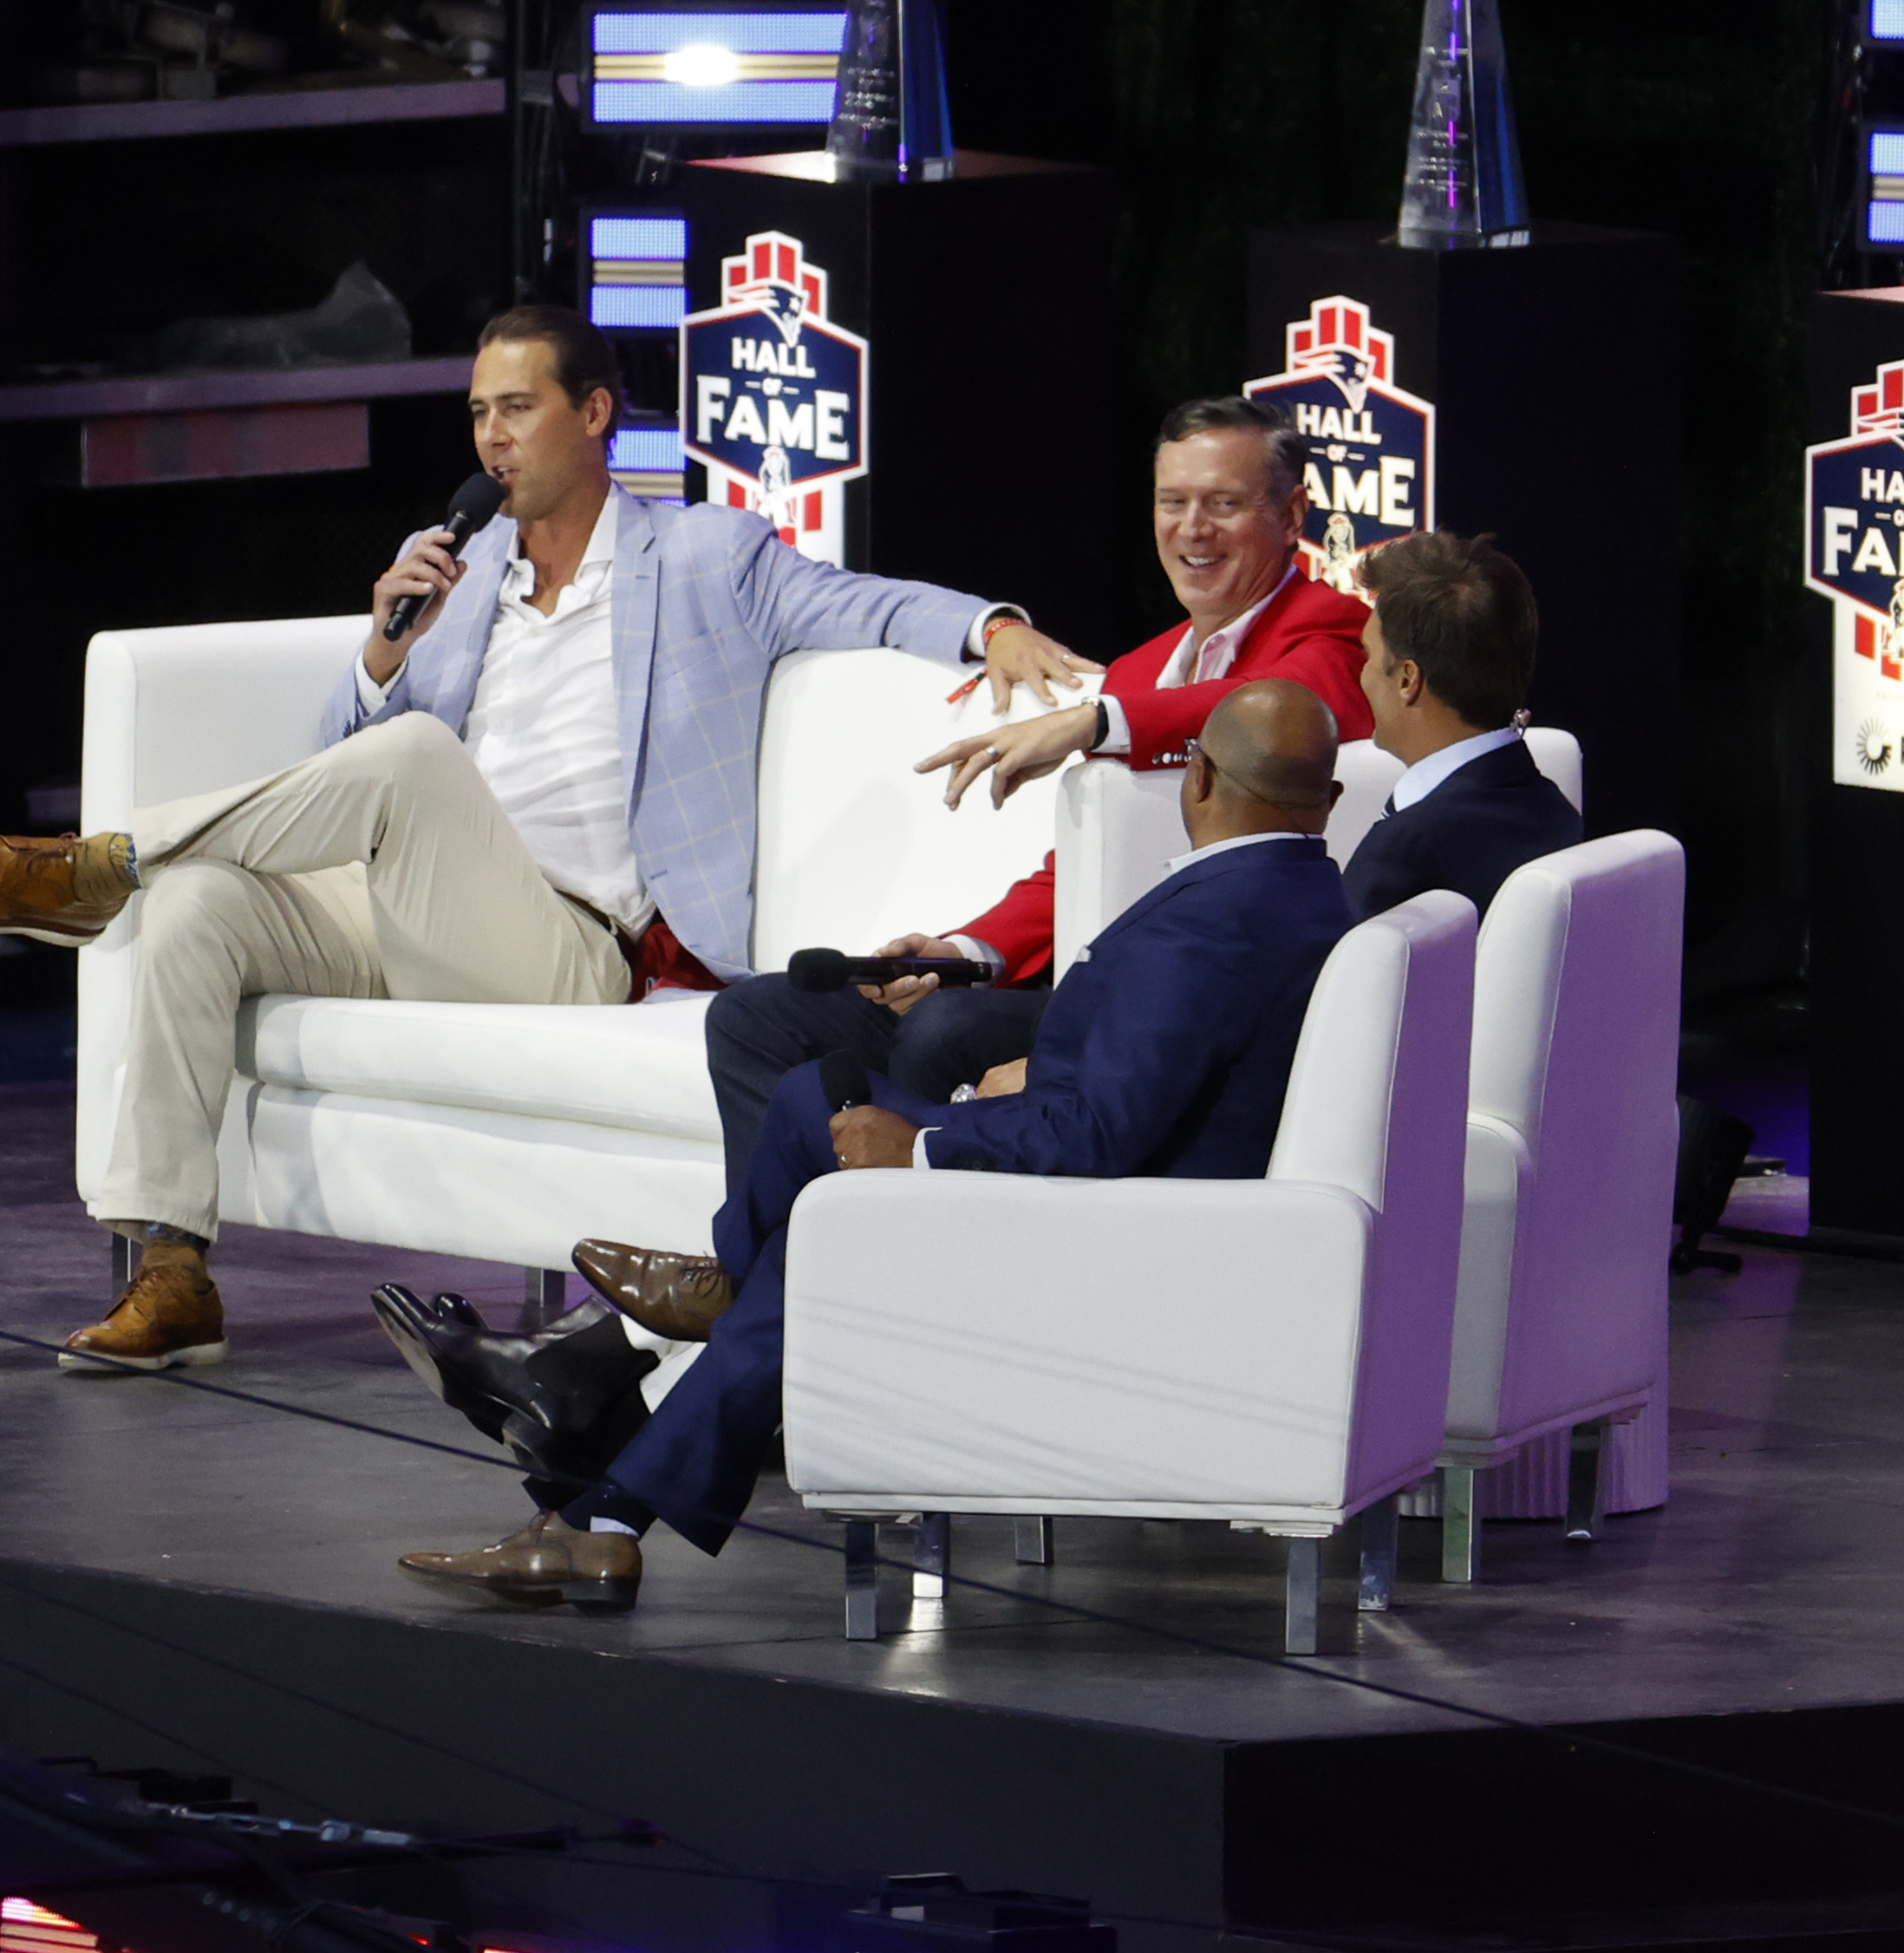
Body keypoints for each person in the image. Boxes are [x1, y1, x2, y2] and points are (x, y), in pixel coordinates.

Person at [0, 305, 1097, 1373]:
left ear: (595, 415)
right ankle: (174, 1270)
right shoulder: (464, 585)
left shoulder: (703, 558)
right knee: (199, 906)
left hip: (576, 938)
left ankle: (97, 863)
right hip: (422, 909)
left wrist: (992, 627)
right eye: (477, 415)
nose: (491, 440)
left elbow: (867, 601)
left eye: (517, 409)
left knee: (414, 764)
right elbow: (340, 767)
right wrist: (382, 652)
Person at [397, 680, 1360, 1610]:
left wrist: (924, 1149)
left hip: (1098, 1229)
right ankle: (705, 1327)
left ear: (1196, 777)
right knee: (812, 1097)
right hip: (1141, 1193)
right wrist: (1039, 1077)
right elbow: (1168, 1076)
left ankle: (610, 1509)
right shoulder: (1306, 895)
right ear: (1332, 798)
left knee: (826, 1224)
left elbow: (1101, 1137)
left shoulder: (1208, 925)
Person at [685, 397, 1375, 1191]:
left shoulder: (1333, 630)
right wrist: (964, 954)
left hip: (1176, 1007)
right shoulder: (1143, 667)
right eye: (1172, 502)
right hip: (1081, 975)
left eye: (1223, 503)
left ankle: (899, 1256)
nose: (1193, 529)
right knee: (756, 1018)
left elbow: (1275, 702)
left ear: (1291, 515)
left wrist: (1091, 720)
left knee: (946, 1033)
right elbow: (1072, 872)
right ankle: (786, 1264)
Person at [1342, 530, 1576, 918]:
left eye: (1368, 654)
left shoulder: (1405, 850)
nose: (1362, 674)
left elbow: (1335, 976)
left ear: (1406, 680)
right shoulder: (1554, 807)